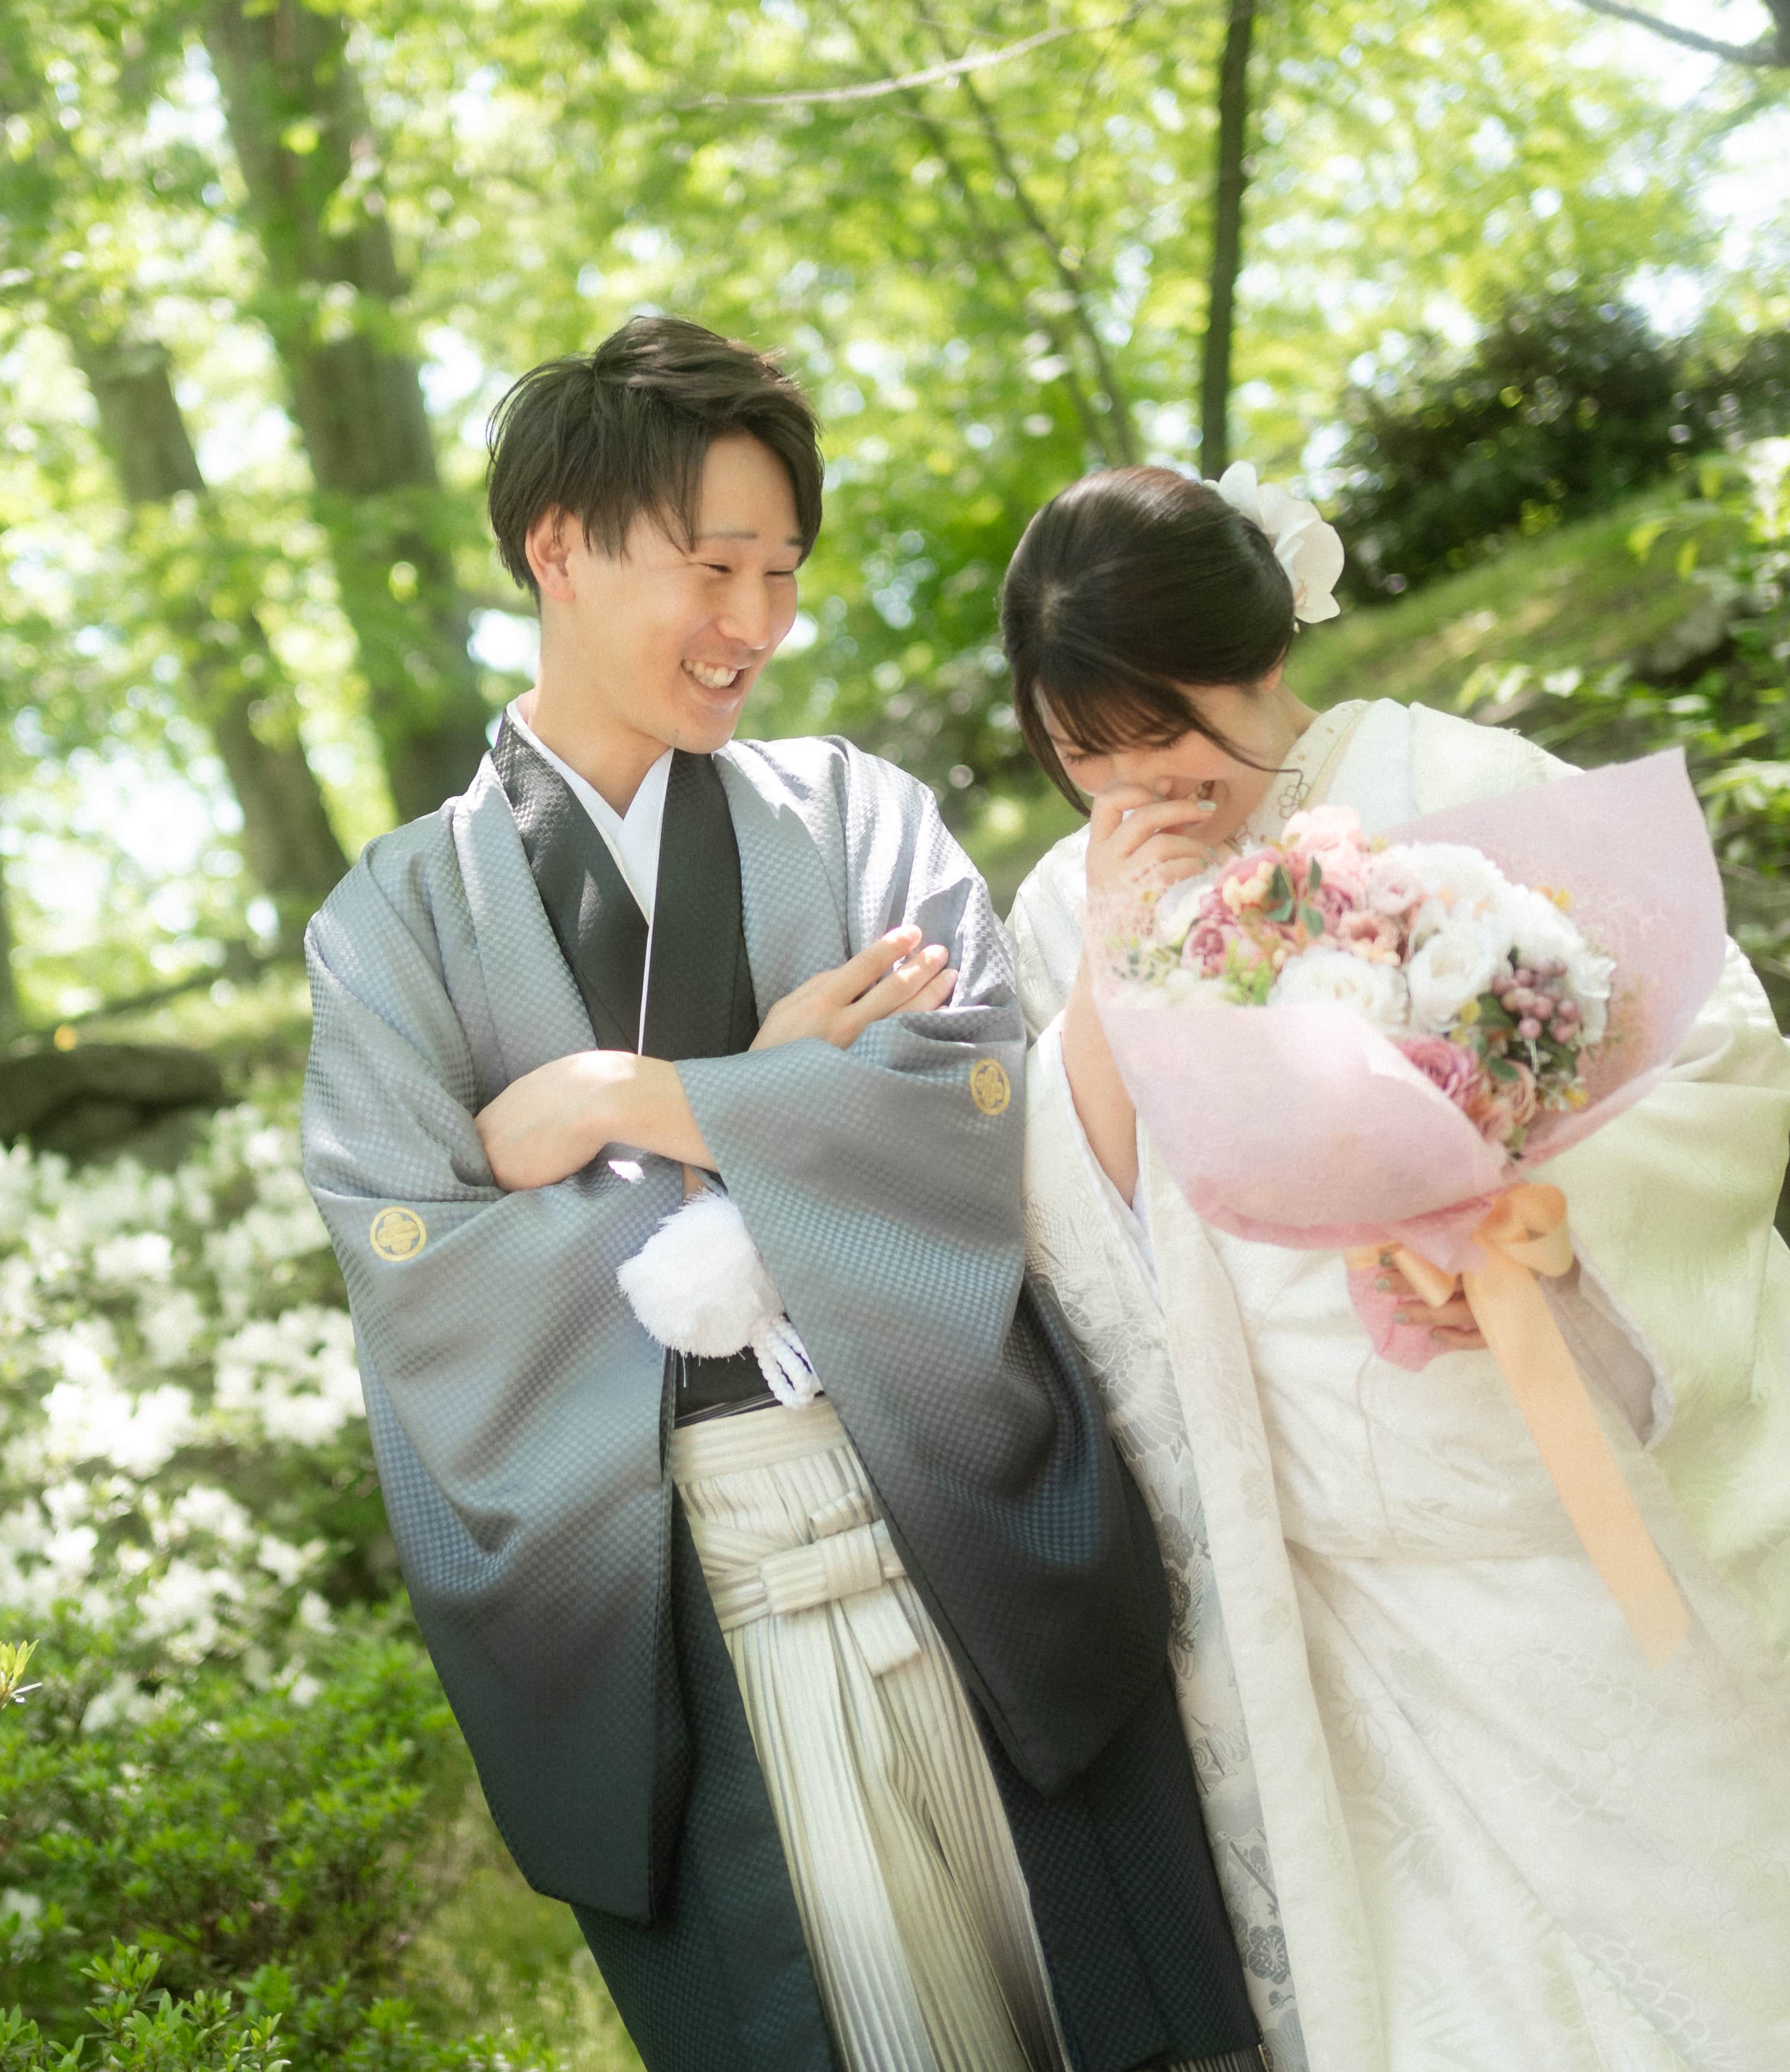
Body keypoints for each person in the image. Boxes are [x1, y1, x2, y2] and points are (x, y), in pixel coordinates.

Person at [997, 461, 1790, 2072]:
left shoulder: (1445, 775)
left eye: (1160, 731)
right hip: (1354, 1541)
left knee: (1759, 1909)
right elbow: (1087, 1203)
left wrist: (1526, 1218)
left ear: (1258, 655)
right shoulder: (1076, 896)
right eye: (1083, 753)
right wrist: (1116, 961)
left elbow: (1714, 1049)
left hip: (1553, 1432)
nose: (1133, 788)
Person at [299, 323, 1263, 2072]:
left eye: (785, 570)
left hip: (950, 1510)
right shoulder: (396, 925)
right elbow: (418, 1273)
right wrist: (777, 1103)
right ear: (560, 548)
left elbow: (976, 1105)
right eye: (716, 565)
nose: (758, 620)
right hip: (685, 1588)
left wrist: (637, 1103)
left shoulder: (852, 817)